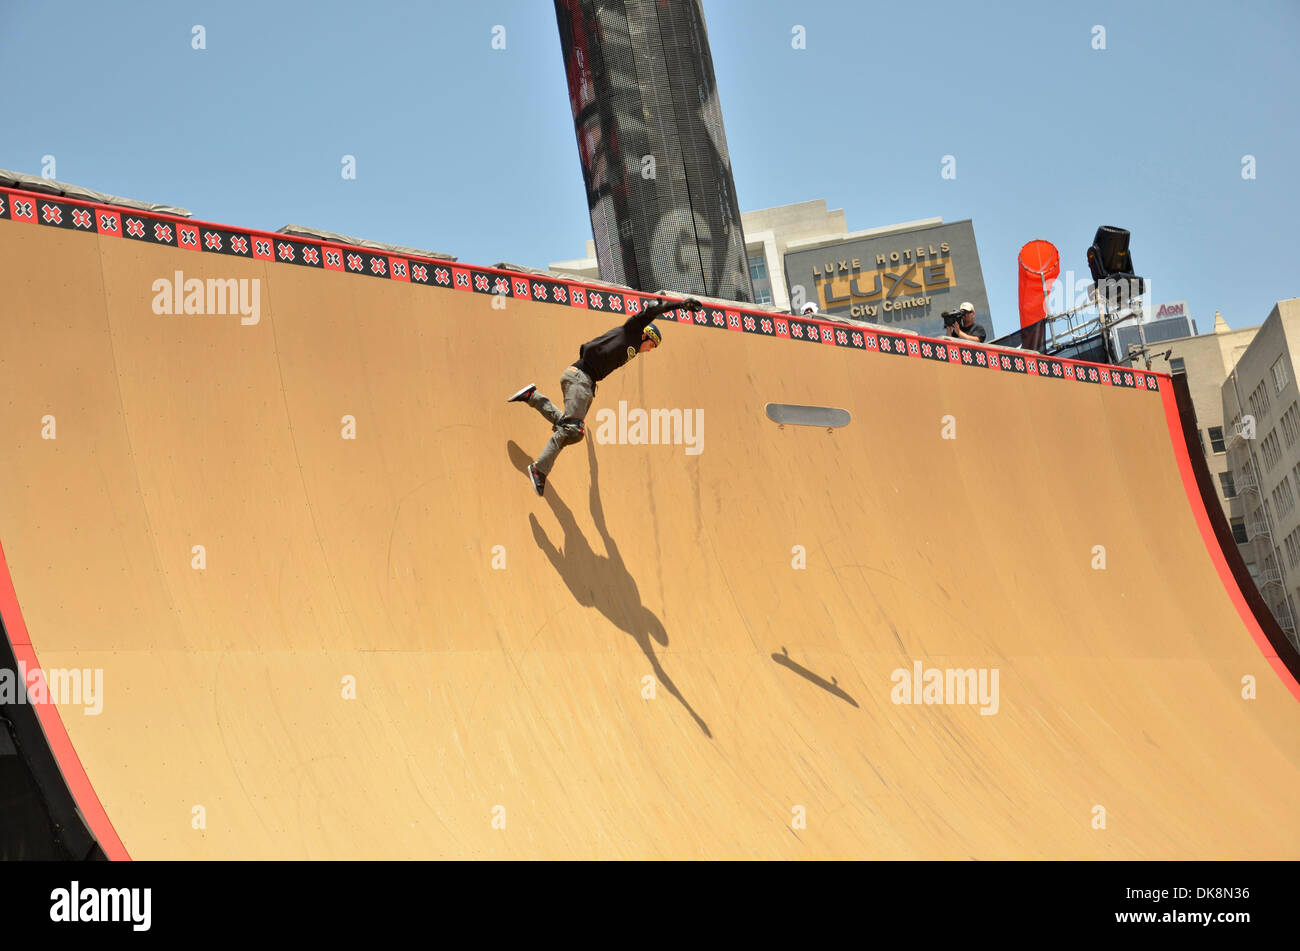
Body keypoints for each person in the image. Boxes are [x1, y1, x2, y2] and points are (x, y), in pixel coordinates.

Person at [508, 295, 702, 495]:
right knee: (572, 430)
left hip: (586, 383)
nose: (649, 350)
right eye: (651, 345)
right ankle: (539, 470)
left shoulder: (634, 347)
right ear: (646, 335)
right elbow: (652, 309)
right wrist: (680, 305)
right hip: (580, 378)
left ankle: (532, 396)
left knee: (571, 429)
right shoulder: (632, 331)